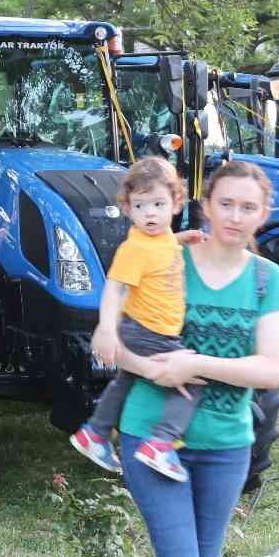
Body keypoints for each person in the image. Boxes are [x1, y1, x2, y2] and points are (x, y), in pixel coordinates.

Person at [104, 159, 279, 557]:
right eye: (226, 204)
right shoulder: (167, 258)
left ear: (262, 215)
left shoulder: (266, 281)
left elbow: (270, 370)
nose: (236, 217)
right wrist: (157, 367)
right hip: (149, 436)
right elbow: (113, 343)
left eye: (249, 207)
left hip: (226, 444)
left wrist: (196, 365)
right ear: (204, 206)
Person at [70, 157, 204, 481]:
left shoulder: (159, 239)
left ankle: (95, 432)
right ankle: (161, 443)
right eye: (141, 206)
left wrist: (182, 238)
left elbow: (163, 245)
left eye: (158, 204)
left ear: (176, 204)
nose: (151, 214)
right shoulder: (134, 248)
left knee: (125, 381)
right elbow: (114, 289)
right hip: (150, 332)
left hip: (145, 329)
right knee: (191, 382)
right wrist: (105, 329)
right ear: (128, 209)